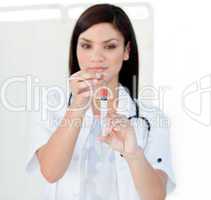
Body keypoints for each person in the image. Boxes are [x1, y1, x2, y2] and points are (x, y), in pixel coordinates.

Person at [25, 3, 176, 200]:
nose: (96, 57)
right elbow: (51, 172)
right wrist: (77, 107)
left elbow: (156, 196)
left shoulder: (151, 118)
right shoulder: (51, 106)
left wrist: (133, 153)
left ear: (126, 51)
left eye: (110, 46)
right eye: (86, 45)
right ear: (76, 49)